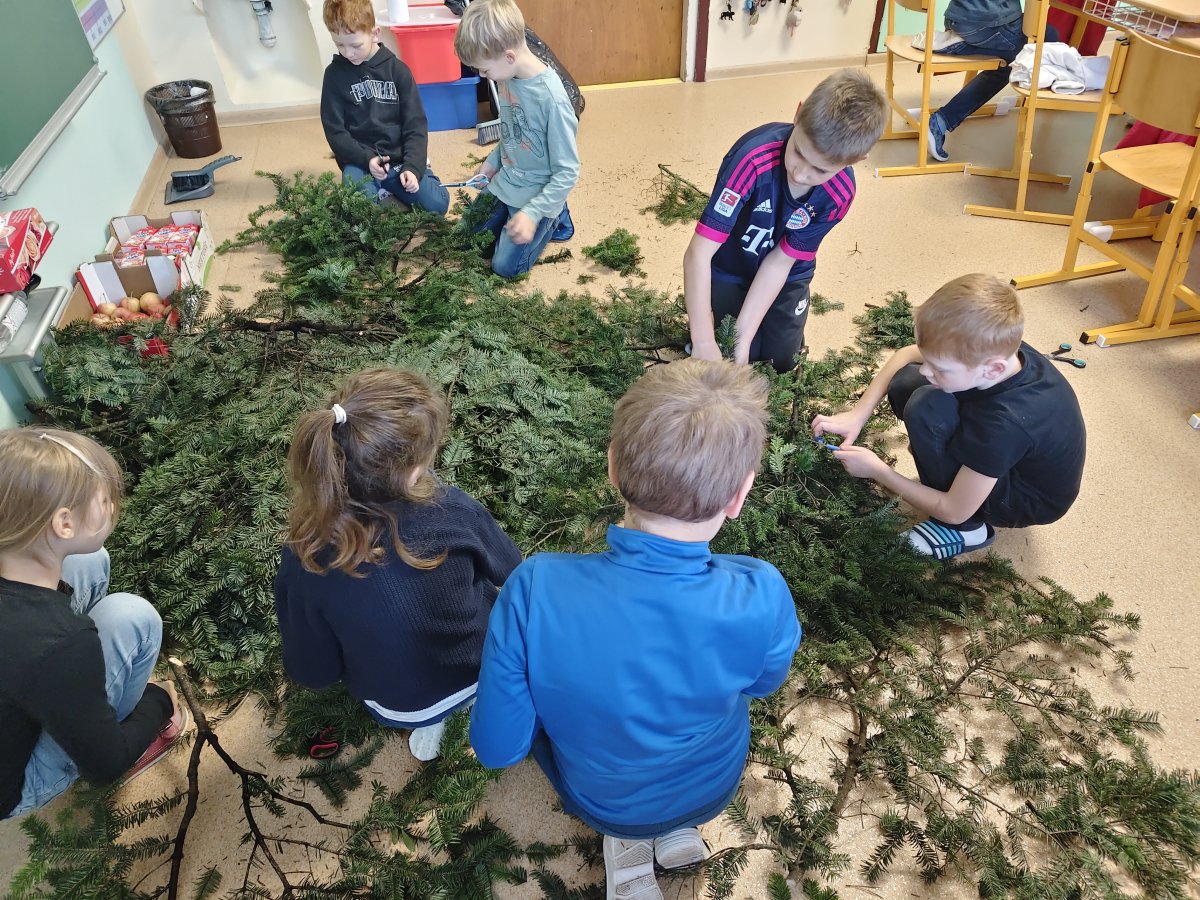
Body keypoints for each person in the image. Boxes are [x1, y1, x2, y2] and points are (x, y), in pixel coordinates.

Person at [470, 360, 802, 900]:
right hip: (712, 786)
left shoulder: (535, 587)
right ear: (739, 496)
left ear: (613, 469)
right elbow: (765, 684)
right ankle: (673, 824)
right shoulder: (762, 590)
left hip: (603, 798)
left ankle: (625, 837)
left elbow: (498, 747)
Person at [274, 368, 523, 761]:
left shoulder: (305, 557)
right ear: (414, 469)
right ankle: (477, 711)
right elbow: (513, 571)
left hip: (398, 706)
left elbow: (314, 672)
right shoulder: (454, 509)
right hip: (484, 669)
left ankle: (435, 719)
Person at [812, 273, 1086, 560]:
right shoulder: (994, 350)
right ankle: (949, 462)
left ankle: (969, 530)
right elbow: (906, 355)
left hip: (1021, 498)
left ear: (992, 369)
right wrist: (858, 414)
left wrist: (878, 471)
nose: (925, 370)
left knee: (926, 407)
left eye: (940, 368)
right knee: (908, 382)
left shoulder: (1005, 425)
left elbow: (954, 509)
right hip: (1007, 449)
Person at [1, 429, 186, 820]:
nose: (113, 505)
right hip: (15, 782)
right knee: (132, 617)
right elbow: (105, 764)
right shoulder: (60, 642)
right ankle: (114, 727)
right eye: (104, 500)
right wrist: (159, 700)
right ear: (64, 523)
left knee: (88, 559)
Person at [684, 69, 888, 373]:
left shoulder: (839, 194)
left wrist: (743, 340)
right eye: (798, 152)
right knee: (723, 347)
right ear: (798, 113)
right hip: (730, 264)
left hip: (787, 272)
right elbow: (699, 252)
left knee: (781, 361)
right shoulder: (751, 159)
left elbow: (780, 262)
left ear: (856, 160)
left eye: (820, 170)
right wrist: (702, 341)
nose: (800, 173)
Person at [453, 0, 580, 279]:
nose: (483, 76)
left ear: (509, 56)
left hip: (538, 191)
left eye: (484, 70)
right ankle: (521, 216)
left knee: (504, 268)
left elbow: (568, 171)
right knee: (464, 242)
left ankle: (555, 216)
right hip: (509, 180)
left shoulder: (553, 101)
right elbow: (513, 131)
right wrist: (492, 163)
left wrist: (533, 213)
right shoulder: (506, 76)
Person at [320, 0, 451, 214]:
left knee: (438, 205)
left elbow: (415, 125)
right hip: (360, 162)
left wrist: (413, 167)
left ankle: (413, 174)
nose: (348, 53)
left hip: (399, 160)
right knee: (358, 211)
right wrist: (366, 159)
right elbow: (335, 132)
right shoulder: (334, 75)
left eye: (355, 45)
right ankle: (381, 190)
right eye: (339, 45)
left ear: (375, 33)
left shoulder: (399, 71)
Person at [924, 0, 1054, 161]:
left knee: (1011, 60)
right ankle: (964, 47)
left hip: (956, 17)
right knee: (1042, 41)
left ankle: (942, 120)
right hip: (983, 23)